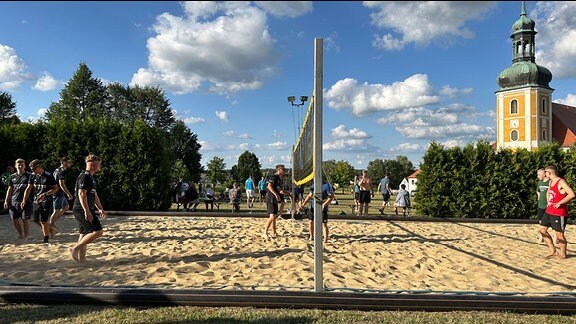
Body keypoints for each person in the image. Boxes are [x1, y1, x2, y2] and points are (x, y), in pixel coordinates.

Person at [70, 154, 107, 263]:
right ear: (94, 166)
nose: (100, 167)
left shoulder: (90, 177)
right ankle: (75, 248)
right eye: (99, 164)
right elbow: (81, 194)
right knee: (98, 231)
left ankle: (82, 260)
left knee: (84, 234)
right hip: (81, 208)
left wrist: (100, 208)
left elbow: (94, 195)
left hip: (86, 208)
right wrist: (86, 210)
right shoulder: (85, 176)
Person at [539, 165, 575, 259]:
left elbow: (571, 194)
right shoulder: (551, 181)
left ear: (550, 173)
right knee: (542, 230)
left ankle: (563, 254)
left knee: (559, 234)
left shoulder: (561, 181)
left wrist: (560, 203)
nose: (544, 173)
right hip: (550, 210)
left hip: (559, 212)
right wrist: (548, 202)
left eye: (545, 172)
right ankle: (552, 251)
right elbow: (549, 192)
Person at [3, 158, 33, 242]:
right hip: (14, 200)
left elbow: (29, 188)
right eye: (18, 165)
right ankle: (21, 233)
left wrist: (25, 200)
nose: (20, 166)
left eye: (22, 165)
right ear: (15, 166)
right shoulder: (12, 177)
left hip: (26, 200)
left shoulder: (29, 175)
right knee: (14, 219)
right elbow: (10, 189)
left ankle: (26, 236)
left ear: (24, 166)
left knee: (25, 219)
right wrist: (6, 200)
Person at [29, 159, 58, 244]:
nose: (33, 171)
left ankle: (46, 238)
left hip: (46, 200)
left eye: (34, 169)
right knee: (36, 220)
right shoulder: (33, 176)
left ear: (39, 167)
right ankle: (51, 229)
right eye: (31, 169)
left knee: (43, 220)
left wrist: (45, 194)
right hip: (36, 200)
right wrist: (26, 198)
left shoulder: (49, 175)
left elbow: (55, 188)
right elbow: (29, 188)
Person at [263, 164, 291, 240]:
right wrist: (275, 194)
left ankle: (274, 232)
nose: (284, 171)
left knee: (274, 217)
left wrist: (288, 194)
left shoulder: (278, 179)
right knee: (272, 217)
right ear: (278, 170)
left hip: (274, 199)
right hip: (271, 198)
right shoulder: (274, 177)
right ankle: (265, 233)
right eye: (283, 169)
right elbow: (269, 186)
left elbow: (280, 190)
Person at [50, 157, 74, 237]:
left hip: (59, 193)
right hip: (57, 193)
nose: (70, 163)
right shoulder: (61, 172)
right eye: (69, 162)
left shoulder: (57, 170)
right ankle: (51, 226)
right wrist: (68, 193)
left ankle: (53, 222)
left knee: (66, 207)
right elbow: (61, 184)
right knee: (56, 210)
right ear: (64, 162)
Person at [535, 168, 550, 243]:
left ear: (544, 174)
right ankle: (541, 237)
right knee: (541, 222)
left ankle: (555, 239)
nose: (538, 176)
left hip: (548, 205)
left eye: (539, 174)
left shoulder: (550, 182)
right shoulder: (539, 183)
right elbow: (538, 191)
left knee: (550, 224)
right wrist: (539, 197)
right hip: (541, 205)